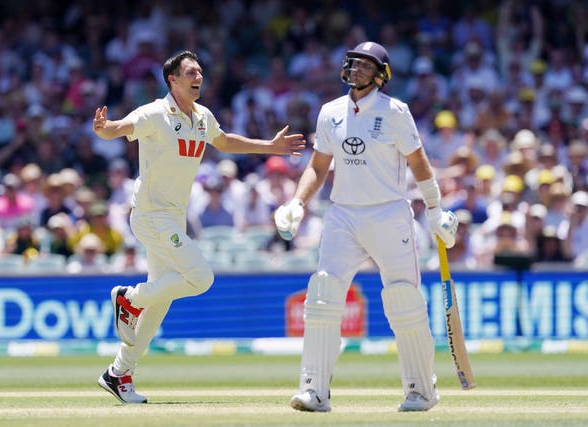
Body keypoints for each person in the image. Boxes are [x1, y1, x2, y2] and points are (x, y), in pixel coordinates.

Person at [91, 50, 305, 404]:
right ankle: (128, 298)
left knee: (162, 298)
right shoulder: (154, 113)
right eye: (190, 72)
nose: (198, 77)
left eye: (200, 71)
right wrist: (104, 129)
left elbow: (223, 142)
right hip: (150, 215)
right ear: (172, 79)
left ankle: (118, 372)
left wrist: (270, 147)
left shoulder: (203, 117)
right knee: (201, 278)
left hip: (173, 218)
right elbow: (118, 129)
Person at [274, 41, 458, 413]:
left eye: (365, 64)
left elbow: (419, 162)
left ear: (381, 74)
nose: (355, 68)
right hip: (343, 213)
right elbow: (317, 166)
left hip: (389, 213)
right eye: (353, 62)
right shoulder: (330, 112)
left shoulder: (395, 112)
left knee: (404, 299)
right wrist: (297, 202)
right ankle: (314, 390)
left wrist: (436, 209)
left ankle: (421, 389)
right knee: (323, 295)